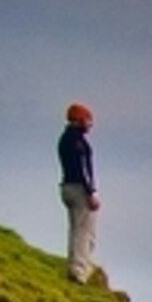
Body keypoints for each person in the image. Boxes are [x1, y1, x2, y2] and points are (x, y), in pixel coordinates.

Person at [58, 102, 101, 284]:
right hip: (79, 189)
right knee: (85, 232)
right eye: (88, 121)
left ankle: (75, 267)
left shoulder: (64, 138)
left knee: (76, 229)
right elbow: (83, 169)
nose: (90, 125)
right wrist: (91, 192)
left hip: (66, 186)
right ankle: (79, 271)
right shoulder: (78, 142)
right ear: (79, 120)